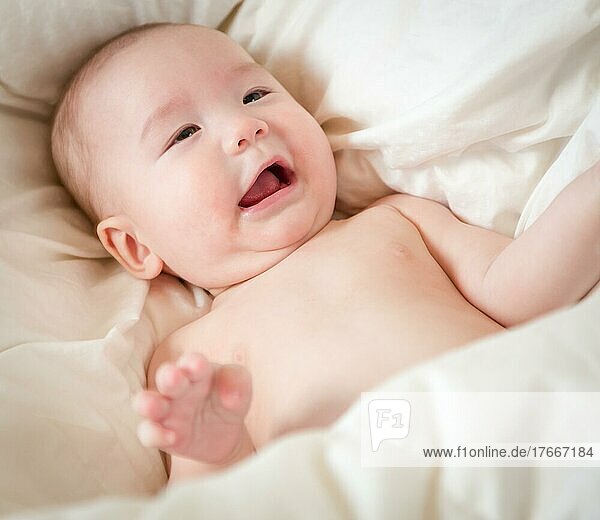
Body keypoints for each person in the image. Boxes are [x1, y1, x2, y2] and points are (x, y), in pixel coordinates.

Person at [50, 22, 600, 484]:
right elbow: (224, 504)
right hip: (373, 487)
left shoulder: (395, 219)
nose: (246, 126)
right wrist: (213, 448)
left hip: (525, 436)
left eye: (254, 95)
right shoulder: (188, 358)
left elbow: (523, 292)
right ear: (135, 245)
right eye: (183, 133)